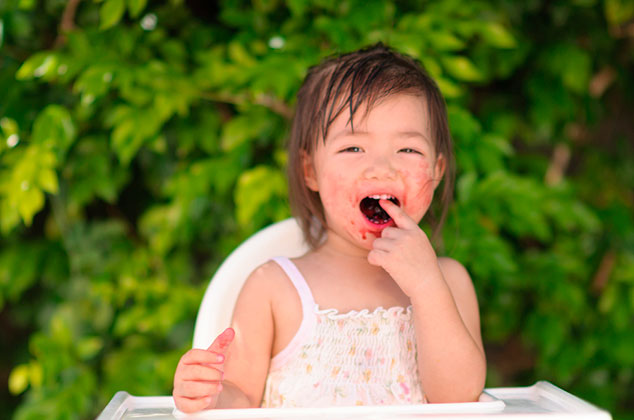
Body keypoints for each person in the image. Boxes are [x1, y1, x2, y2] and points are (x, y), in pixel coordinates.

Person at [173, 43, 486, 412]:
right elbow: (240, 397)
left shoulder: (448, 282)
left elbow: (459, 398)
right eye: (353, 148)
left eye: (408, 150)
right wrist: (208, 395)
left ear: (436, 171)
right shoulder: (273, 287)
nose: (382, 168)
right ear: (310, 171)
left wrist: (426, 285)